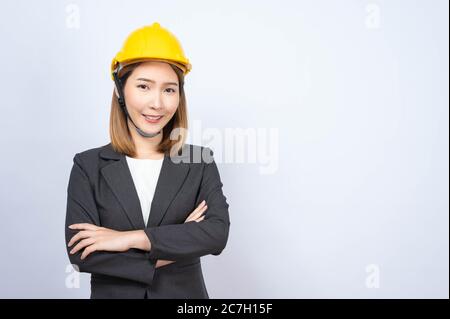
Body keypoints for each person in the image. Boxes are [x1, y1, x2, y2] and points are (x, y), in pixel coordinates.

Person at [64, 22, 230, 299]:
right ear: (120, 90)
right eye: (144, 86)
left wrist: (128, 239)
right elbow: (82, 254)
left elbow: (215, 233)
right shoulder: (88, 166)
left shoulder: (199, 161)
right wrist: (179, 241)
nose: (157, 103)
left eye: (169, 89)